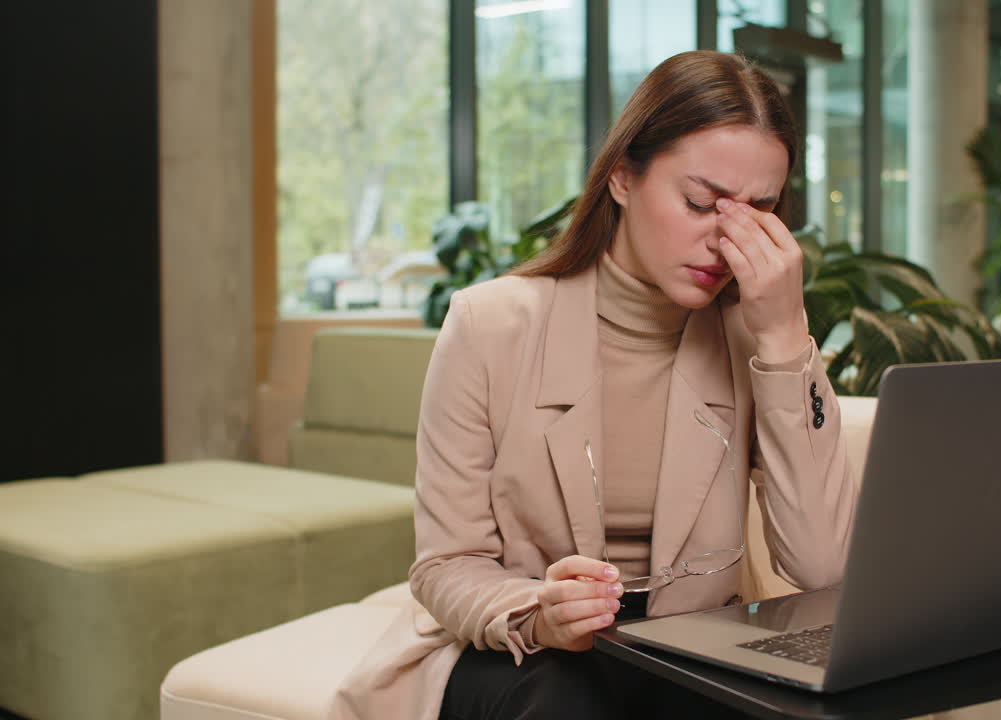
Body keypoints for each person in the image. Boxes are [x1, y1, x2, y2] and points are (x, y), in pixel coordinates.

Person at [327, 49, 857, 720]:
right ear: (621, 179)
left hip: (690, 652)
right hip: (523, 650)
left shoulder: (760, 341)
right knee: (563, 702)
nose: (727, 240)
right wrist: (540, 615)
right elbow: (445, 566)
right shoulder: (490, 324)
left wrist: (784, 339)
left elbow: (821, 571)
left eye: (759, 212)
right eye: (700, 202)